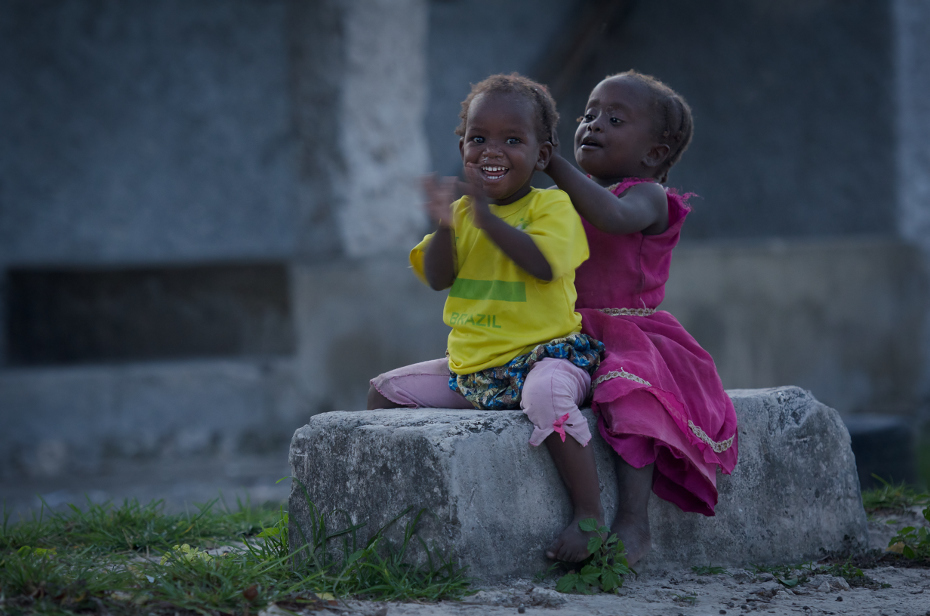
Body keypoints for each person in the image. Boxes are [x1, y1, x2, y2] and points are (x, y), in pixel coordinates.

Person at [367, 73, 606, 562]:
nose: (491, 151)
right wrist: (445, 222)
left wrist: (485, 217)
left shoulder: (553, 206)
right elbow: (438, 277)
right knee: (385, 391)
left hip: (546, 356)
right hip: (472, 370)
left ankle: (590, 515)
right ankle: (385, 511)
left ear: (541, 156)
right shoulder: (461, 212)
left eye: (512, 140)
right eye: (478, 139)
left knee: (547, 397)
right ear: (462, 149)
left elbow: (541, 264)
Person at [544, 70, 739, 566]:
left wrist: (554, 166)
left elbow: (612, 218)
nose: (592, 125)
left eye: (614, 118)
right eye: (588, 114)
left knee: (626, 395)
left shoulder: (646, 195)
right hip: (567, 327)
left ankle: (634, 521)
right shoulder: (570, 195)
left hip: (629, 332)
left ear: (654, 153)